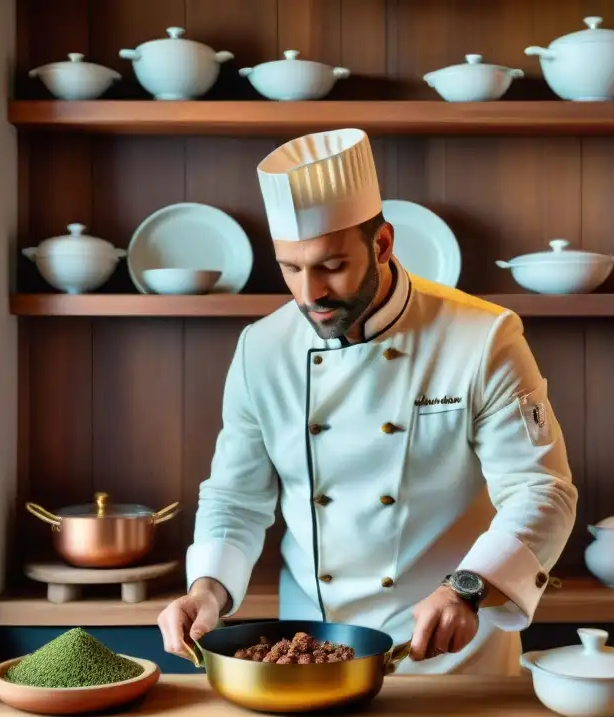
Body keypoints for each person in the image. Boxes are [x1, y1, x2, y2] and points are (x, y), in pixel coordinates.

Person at [157, 128, 578, 674]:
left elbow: (541, 490)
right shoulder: (260, 348)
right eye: (290, 268)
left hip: (452, 650)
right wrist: (207, 591)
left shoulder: (483, 337)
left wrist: (468, 589)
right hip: (312, 653)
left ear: (381, 245)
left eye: (331, 265)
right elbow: (235, 498)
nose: (309, 294)